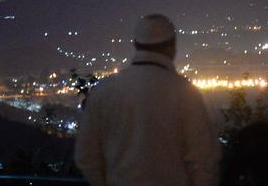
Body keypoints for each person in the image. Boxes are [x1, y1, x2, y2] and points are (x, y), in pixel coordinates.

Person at [75, 13, 219, 186]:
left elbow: (86, 157)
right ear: (172, 47)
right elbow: (204, 160)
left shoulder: (104, 91)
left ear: (136, 45)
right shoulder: (185, 93)